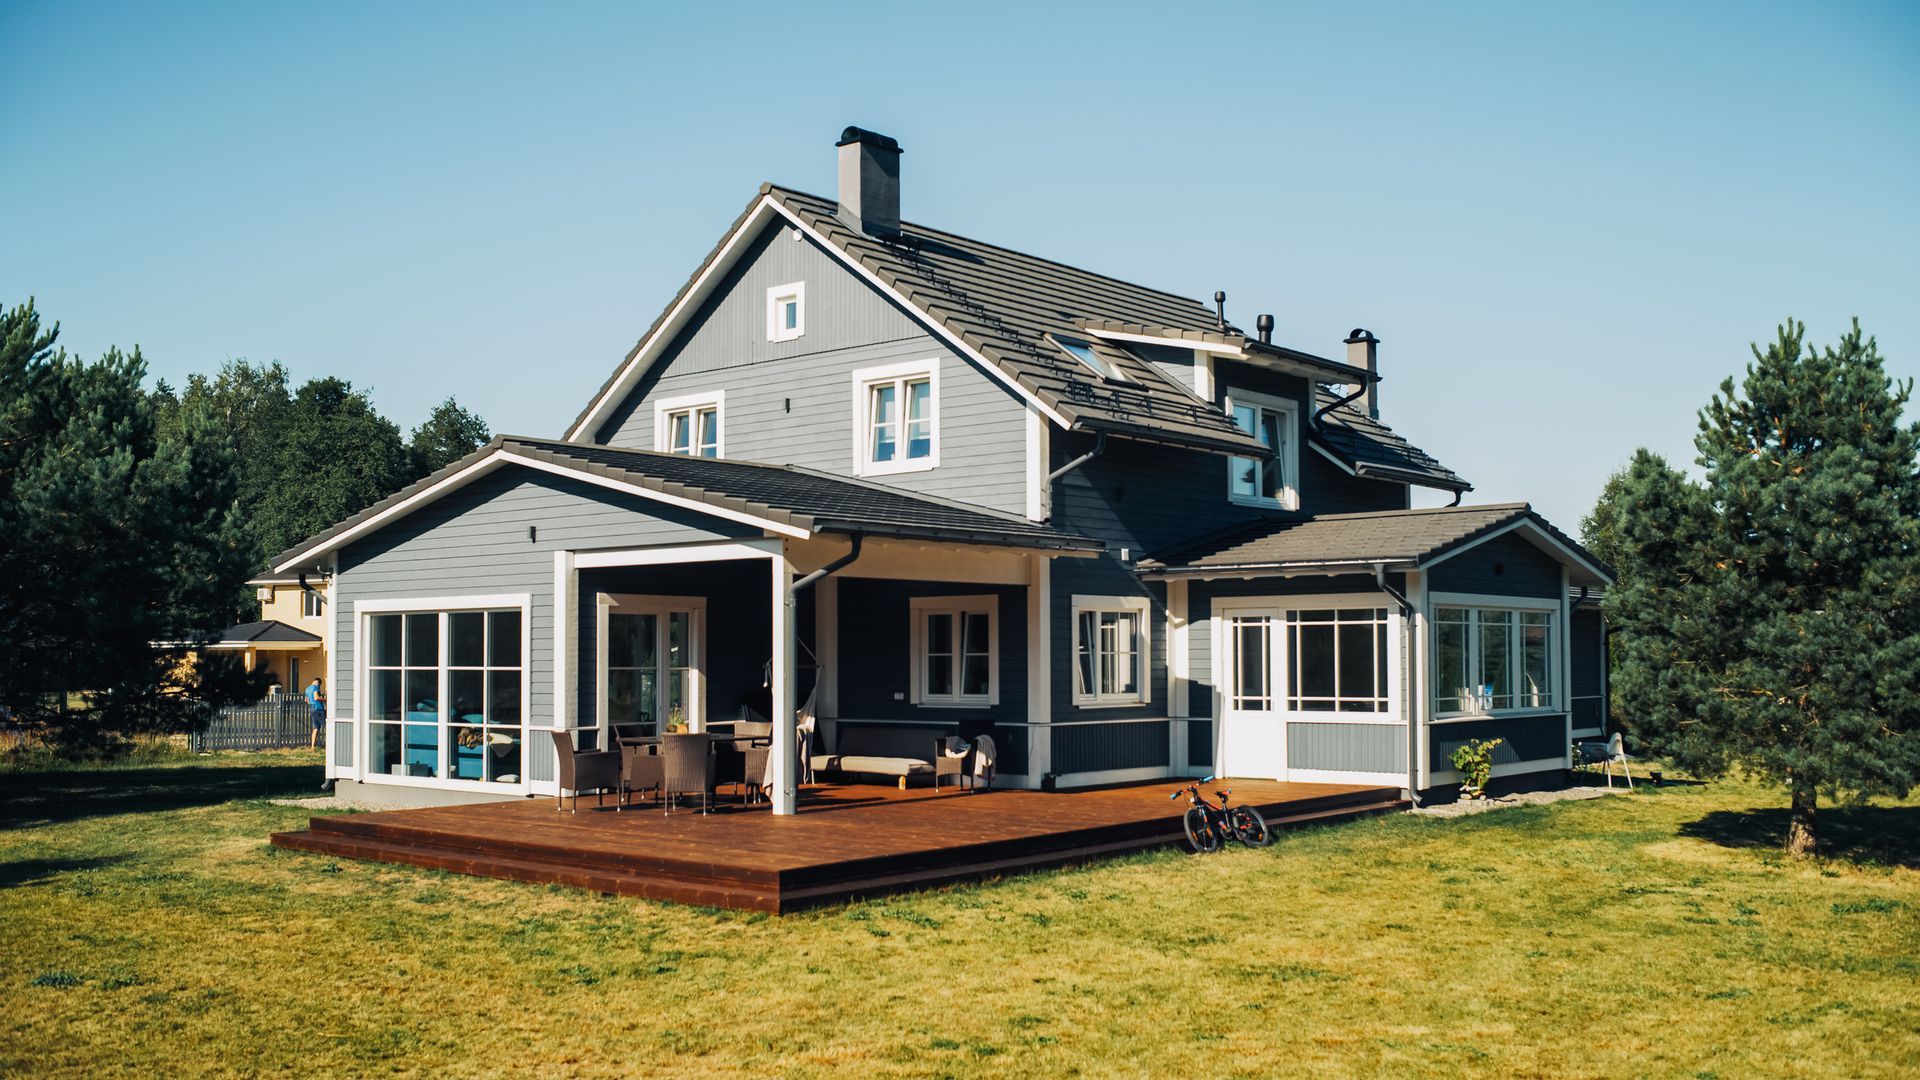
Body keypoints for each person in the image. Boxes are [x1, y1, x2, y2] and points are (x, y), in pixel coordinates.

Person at [306, 678, 326, 748]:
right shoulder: (315, 687)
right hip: (318, 708)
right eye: (320, 685)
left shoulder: (307, 689)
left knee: (316, 727)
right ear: (318, 683)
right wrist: (325, 699)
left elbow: (307, 701)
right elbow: (316, 697)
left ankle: (312, 746)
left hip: (312, 708)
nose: (319, 687)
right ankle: (329, 745)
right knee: (327, 726)